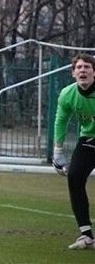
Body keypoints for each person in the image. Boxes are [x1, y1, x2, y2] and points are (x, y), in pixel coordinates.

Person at [51, 53, 95, 250]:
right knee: (74, 177)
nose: (83, 70)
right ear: (73, 73)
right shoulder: (67, 94)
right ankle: (86, 235)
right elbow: (61, 120)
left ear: (94, 72)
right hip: (89, 139)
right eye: (79, 67)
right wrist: (57, 151)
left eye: (87, 67)